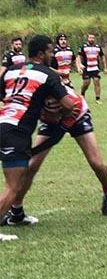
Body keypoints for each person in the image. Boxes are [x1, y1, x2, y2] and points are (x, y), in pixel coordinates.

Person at [1, 84, 107, 227]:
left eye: (45, 116)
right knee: (30, 166)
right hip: (55, 115)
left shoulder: (73, 106)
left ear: (60, 110)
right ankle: (17, 211)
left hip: (78, 117)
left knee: (96, 163)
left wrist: (29, 151)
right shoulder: (36, 99)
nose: (42, 118)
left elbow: (55, 138)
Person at [0, 35, 74, 241]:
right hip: (16, 132)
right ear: (42, 54)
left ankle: (18, 215)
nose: (53, 56)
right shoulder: (48, 75)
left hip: (3, 122)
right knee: (14, 185)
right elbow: (69, 105)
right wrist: (58, 116)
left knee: (20, 176)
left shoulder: (11, 70)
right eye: (51, 52)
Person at [76, 33, 107, 105]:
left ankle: (98, 98)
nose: (91, 39)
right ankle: (82, 93)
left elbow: (102, 56)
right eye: (90, 38)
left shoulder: (98, 47)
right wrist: (80, 66)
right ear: (87, 38)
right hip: (86, 68)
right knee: (86, 83)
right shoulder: (83, 47)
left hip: (95, 67)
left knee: (97, 81)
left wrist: (105, 67)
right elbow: (78, 57)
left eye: (93, 38)